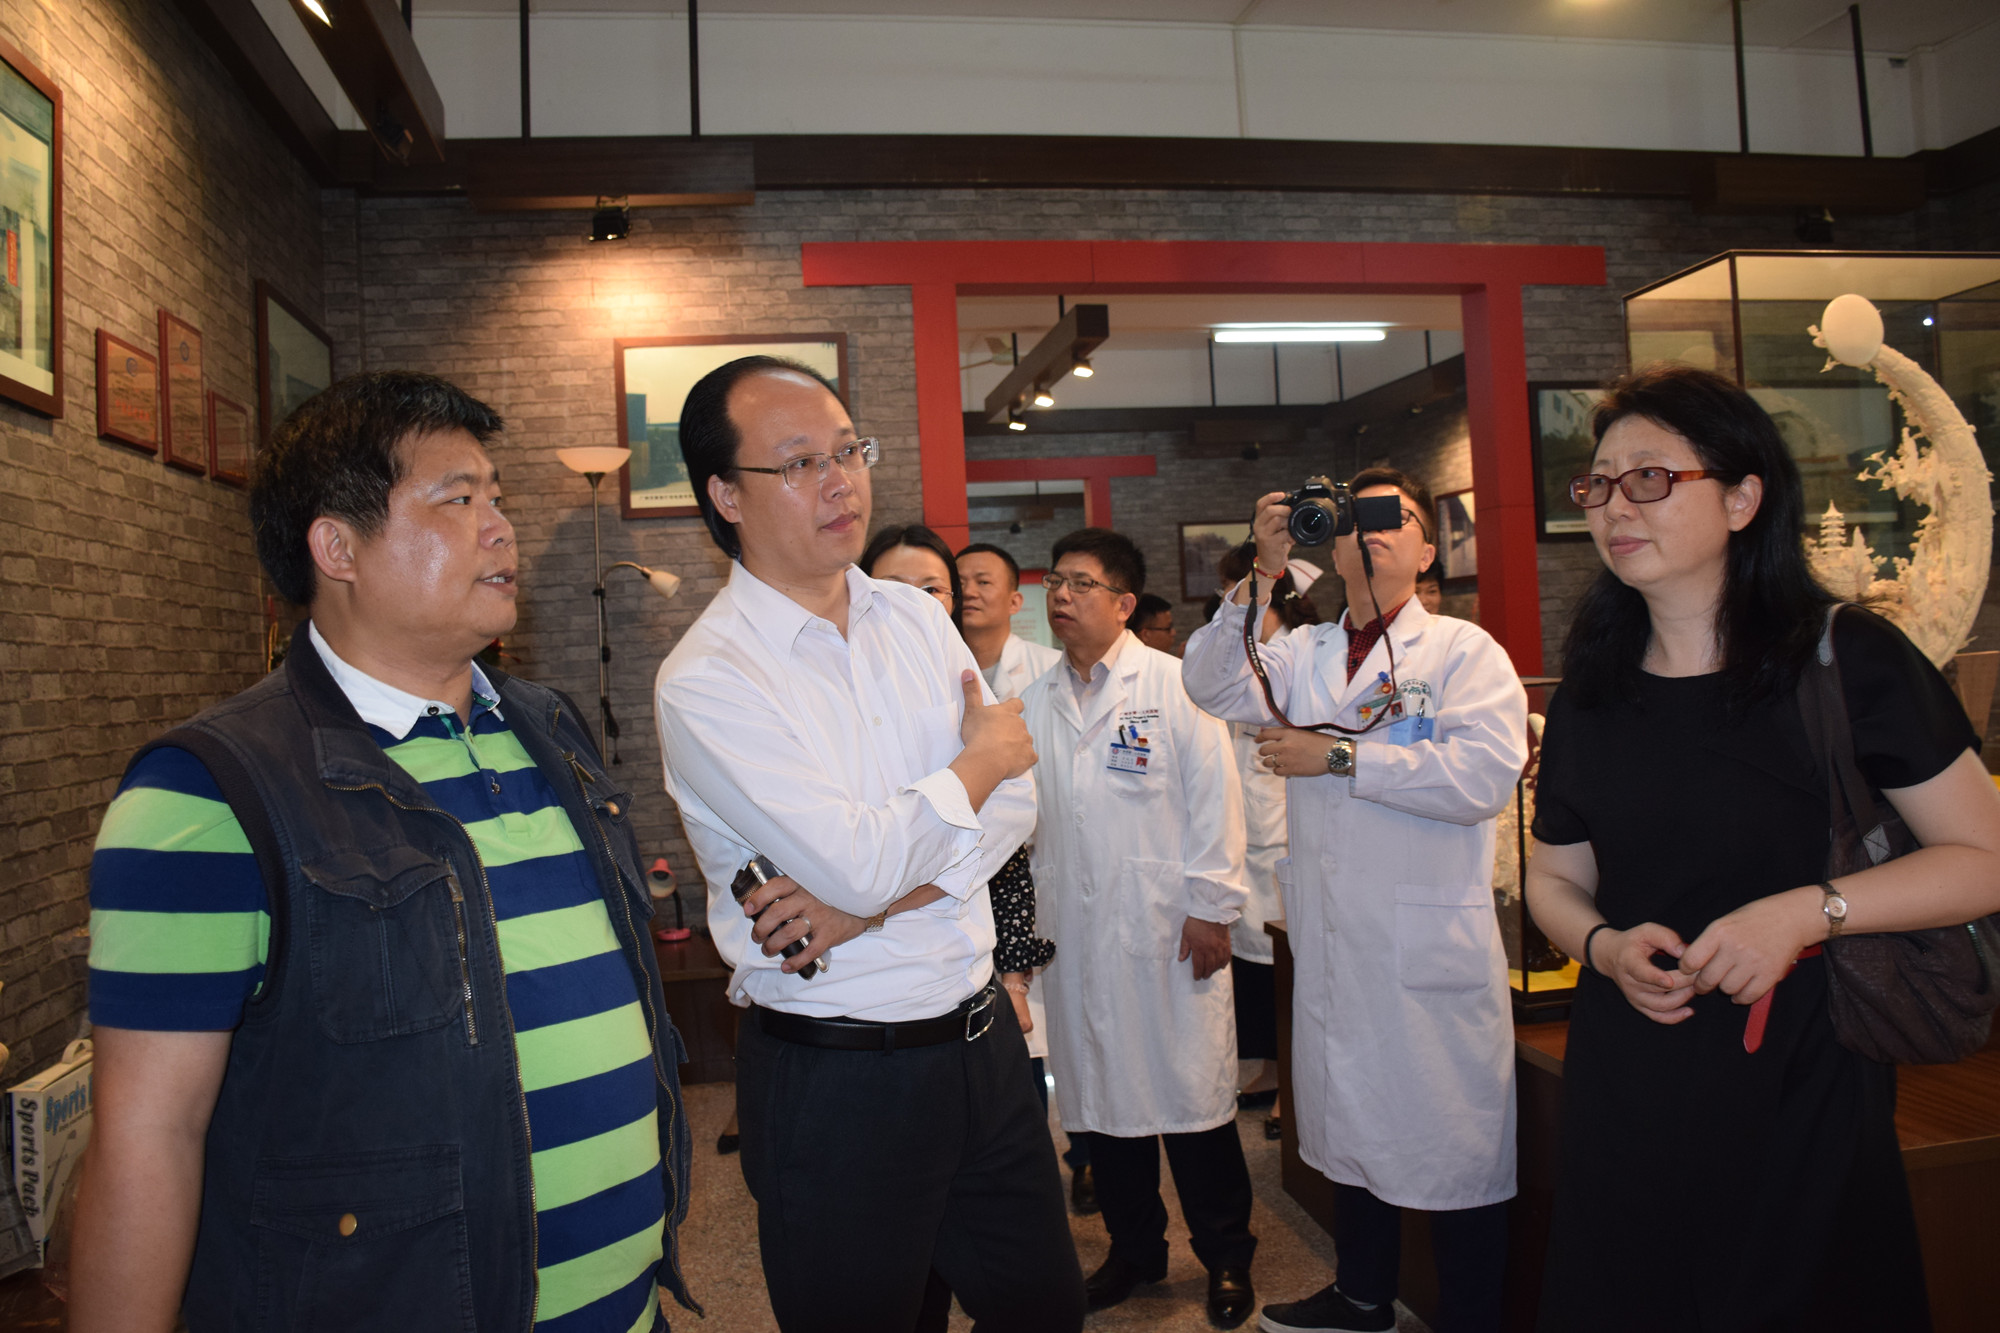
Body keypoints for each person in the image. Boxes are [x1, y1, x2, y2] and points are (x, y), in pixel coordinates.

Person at [68, 372, 696, 1333]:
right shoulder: (208, 791)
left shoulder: (548, 726)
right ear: (337, 548)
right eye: (458, 499)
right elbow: (148, 1137)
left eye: (496, 497)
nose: (501, 528)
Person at [1524, 365, 2000, 1332]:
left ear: (1743, 498)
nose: (1615, 506)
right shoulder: (1591, 694)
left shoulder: (1846, 657)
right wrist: (1605, 947)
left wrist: (1803, 913)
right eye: (1598, 483)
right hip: (1631, 1068)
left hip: (1802, 1063)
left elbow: (1982, 856)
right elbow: (1554, 877)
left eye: (1651, 477)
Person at [652, 357, 1085, 1333]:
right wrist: (969, 773)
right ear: (725, 494)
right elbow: (875, 849)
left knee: (1046, 1314)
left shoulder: (915, 619)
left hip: (981, 1045)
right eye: (798, 462)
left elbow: (1015, 800)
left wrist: (868, 905)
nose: (840, 480)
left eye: (849, 451)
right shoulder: (709, 677)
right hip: (839, 1080)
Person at [1182, 467, 1528, 1333]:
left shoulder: (1463, 652)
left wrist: (1338, 757)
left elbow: (1484, 776)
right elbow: (1210, 681)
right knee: (1354, 1125)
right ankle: (1363, 1295)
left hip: (1427, 949)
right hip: (1338, 941)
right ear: (1329, 545)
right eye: (1352, 519)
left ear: (1426, 549)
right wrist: (1262, 572)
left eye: (1394, 517)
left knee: (1453, 1142)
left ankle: (1473, 1318)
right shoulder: (1300, 652)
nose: (1371, 531)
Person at [1020, 527, 1259, 1330]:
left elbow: (1216, 797)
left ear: (1124, 603)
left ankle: (1225, 1254)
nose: (1062, 595)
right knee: (1102, 1102)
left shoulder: (1175, 684)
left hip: (1168, 930)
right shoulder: (1037, 699)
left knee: (1193, 1099)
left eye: (1081, 583)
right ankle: (1134, 1251)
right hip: (1077, 937)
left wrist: (1212, 907)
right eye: (1055, 581)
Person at [955, 541, 1093, 1209]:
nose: (968, 591)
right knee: (1008, 1052)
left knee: (1065, 1039)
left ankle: (1086, 1157)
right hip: (969, 882)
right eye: (958, 581)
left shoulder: (1044, 674)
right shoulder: (931, 669)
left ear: (1016, 598)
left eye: (983, 580)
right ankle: (1016, 1183)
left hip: (1041, 879)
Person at [1208, 545, 1325, 1140]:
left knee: (1289, 964)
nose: (1226, 600)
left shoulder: (1303, 653)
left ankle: (1295, 1086)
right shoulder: (1240, 650)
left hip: (1284, 836)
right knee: (1256, 968)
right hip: (1243, 834)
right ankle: (1273, 1070)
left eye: (1236, 589)